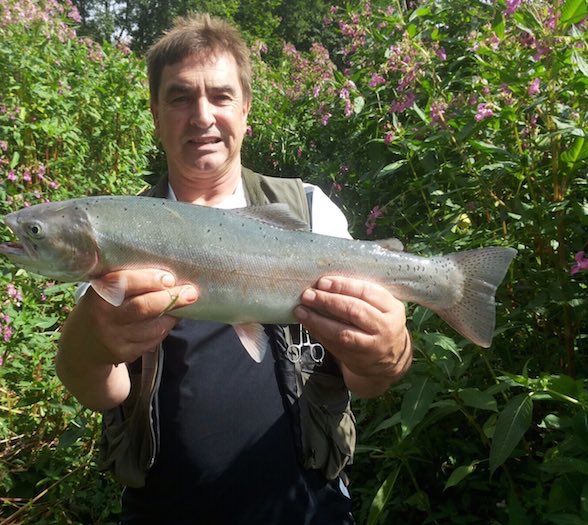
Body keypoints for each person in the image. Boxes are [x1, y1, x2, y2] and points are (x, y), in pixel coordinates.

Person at [56, 13, 412, 525]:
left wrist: (390, 349)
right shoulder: (123, 229)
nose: (202, 115)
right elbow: (98, 390)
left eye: (220, 96)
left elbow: (372, 378)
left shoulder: (310, 211)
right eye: (180, 97)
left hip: (308, 509)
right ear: (156, 114)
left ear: (246, 112)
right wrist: (88, 337)